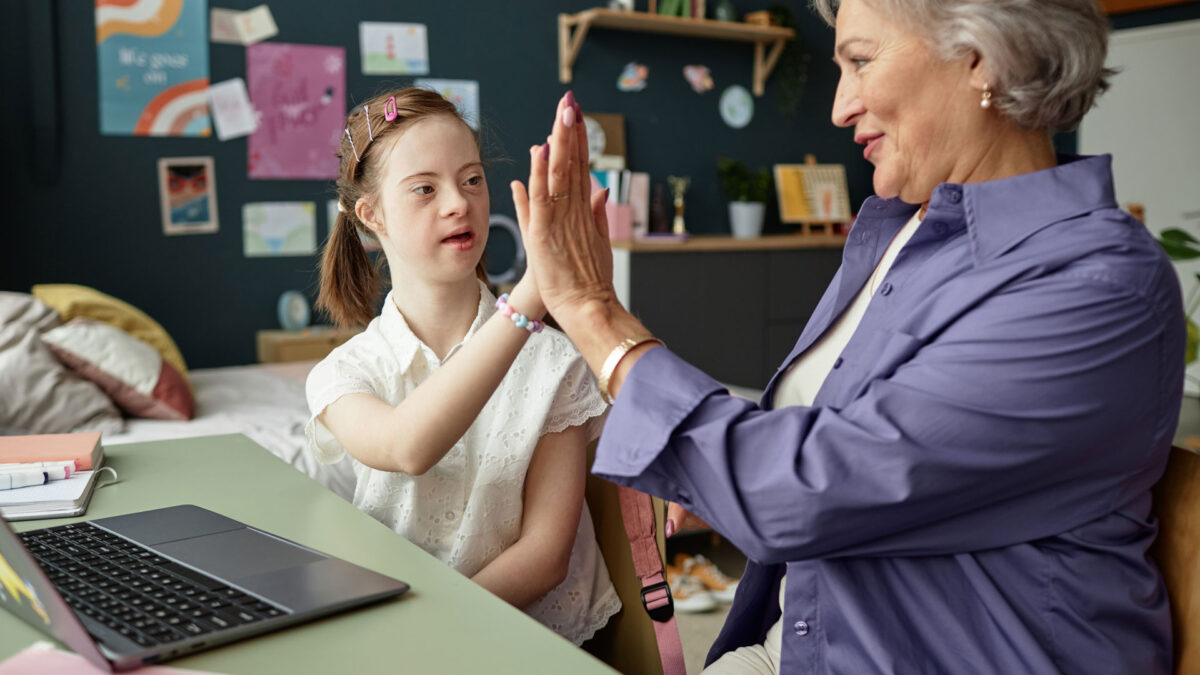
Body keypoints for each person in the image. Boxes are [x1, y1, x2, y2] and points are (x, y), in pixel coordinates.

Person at [515, 0, 1183, 671]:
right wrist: (713, 479)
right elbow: (842, 450)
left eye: (861, 60)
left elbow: (794, 490)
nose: (838, 107)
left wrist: (593, 311)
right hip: (803, 643)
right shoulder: (900, 232)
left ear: (981, 57)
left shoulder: (1096, 289)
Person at [304, 87, 619, 646]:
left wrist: (433, 630)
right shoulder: (343, 373)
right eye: (424, 189)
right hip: (395, 639)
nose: (458, 202)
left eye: (472, 179)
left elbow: (545, 558)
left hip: (527, 641)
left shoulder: (552, 362)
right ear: (371, 215)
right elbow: (407, 447)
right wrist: (532, 294)